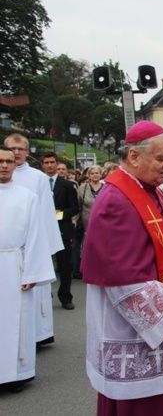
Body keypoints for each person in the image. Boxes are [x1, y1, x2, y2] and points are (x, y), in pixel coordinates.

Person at [82, 121, 163, 415]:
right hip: (137, 336)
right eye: (161, 158)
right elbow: (123, 279)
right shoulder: (117, 199)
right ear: (134, 157)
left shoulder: (151, 190)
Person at [0, 145, 56, 393]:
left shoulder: (26, 196)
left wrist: (32, 272)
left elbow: (36, 235)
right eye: (0, 161)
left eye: (9, 162)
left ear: (16, 165)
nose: (4, 166)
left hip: (15, 265)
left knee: (16, 322)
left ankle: (15, 375)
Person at [4, 134, 63, 346]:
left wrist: (45, 249)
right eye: (12, 148)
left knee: (34, 297)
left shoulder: (37, 178)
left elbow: (46, 214)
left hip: (30, 245)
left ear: (27, 152)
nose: (16, 152)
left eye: (20, 148)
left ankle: (38, 334)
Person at [41, 151, 79, 310]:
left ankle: (65, 296)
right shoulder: (39, 183)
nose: (50, 166)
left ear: (57, 164)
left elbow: (74, 208)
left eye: (52, 162)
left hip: (62, 229)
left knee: (64, 265)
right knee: (44, 265)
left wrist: (60, 214)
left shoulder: (67, 185)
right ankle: (45, 296)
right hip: (42, 230)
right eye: (46, 163)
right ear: (42, 165)